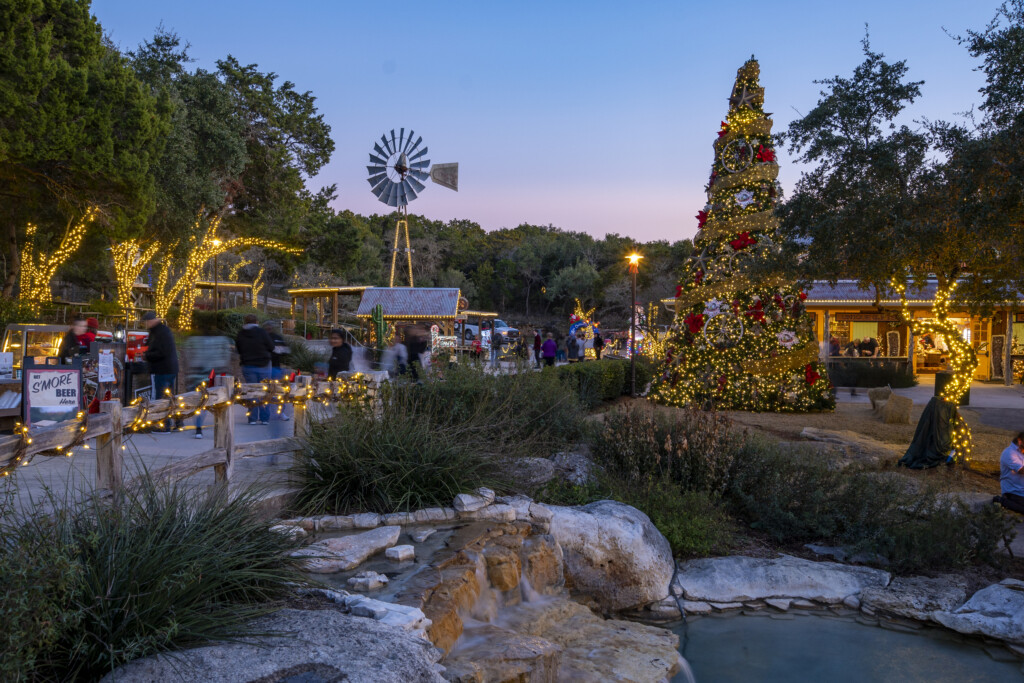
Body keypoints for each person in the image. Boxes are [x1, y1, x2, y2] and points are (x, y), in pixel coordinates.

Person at [184, 326, 233, 439]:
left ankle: (198, 429)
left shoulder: (194, 340)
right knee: (219, 402)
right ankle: (220, 427)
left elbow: (188, 357)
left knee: (200, 403)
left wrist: (189, 373)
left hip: (197, 375)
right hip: (217, 374)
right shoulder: (222, 340)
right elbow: (227, 357)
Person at [142, 311, 179, 433]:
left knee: (161, 398)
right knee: (169, 396)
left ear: (151, 321)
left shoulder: (160, 333)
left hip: (163, 369)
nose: (146, 324)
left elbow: (161, 352)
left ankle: (164, 425)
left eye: (146, 322)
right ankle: (177, 421)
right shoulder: (161, 331)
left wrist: (147, 356)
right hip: (169, 368)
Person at [236, 314, 274, 425]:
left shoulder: (241, 333)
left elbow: (238, 349)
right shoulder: (262, 332)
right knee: (265, 390)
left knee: (252, 390)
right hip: (264, 365)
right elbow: (271, 347)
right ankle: (265, 418)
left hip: (248, 365)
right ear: (256, 321)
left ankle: (252, 418)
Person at [263, 321, 292, 422]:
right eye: (267, 326)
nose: (269, 327)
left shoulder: (277, 337)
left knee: (279, 390)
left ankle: (280, 412)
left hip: (275, 368)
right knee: (265, 391)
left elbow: (286, 350)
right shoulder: (262, 337)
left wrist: (277, 350)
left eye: (271, 326)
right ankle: (265, 414)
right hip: (263, 368)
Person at [995, 433, 1024, 514]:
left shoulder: (1022, 452)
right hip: (1014, 492)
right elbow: (1021, 470)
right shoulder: (1009, 453)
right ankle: (1003, 501)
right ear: (1019, 441)